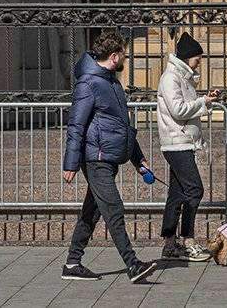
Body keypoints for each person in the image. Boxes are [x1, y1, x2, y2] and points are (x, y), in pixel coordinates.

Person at [61, 30, 157, 283]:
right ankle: (133, 264)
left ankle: (72, 263)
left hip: (110, 156)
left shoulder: (112, 83)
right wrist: (70, 163)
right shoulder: (88, 83)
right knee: (113, 208)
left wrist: (138, 159)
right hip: (96, 158)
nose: (125, 58)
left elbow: (122, 126)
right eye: (123, 53)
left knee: (92, 211)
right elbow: (76, 125)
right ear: (114, 56)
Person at [157, 32, 221, 261]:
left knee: (177, 194)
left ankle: (169, 244)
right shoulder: (171, 78)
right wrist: (203, 101)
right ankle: (188, 239)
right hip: (176, 142)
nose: (199, 62)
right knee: (195, 189)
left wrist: (205, 100)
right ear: (187, 57)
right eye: (197, 58)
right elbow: (178, 110)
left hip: (183, 141)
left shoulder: (183, 78)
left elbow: (186, 106)